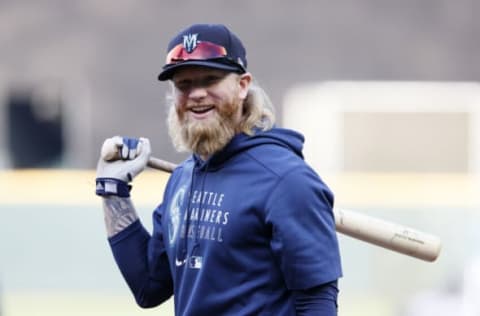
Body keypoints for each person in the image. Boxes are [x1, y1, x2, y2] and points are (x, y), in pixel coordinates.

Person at [95, 23, 342, 315]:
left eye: (210, 79)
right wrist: (113, 192)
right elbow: (149, 287)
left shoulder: (287, 181)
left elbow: (316, 302)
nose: (197, 94)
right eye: (184, 84)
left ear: (242, 85)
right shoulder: (182, 179)